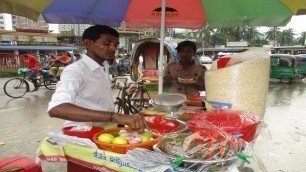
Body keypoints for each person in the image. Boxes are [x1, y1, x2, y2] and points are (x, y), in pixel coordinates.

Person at [48, 25, 148, 132]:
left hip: (104, 129)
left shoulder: (104, 65)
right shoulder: (75, 71)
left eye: (115, 44)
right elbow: (56, 108)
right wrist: (114, 116)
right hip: (83, 132)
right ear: (88, 43)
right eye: (107, 43)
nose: (113, 48)